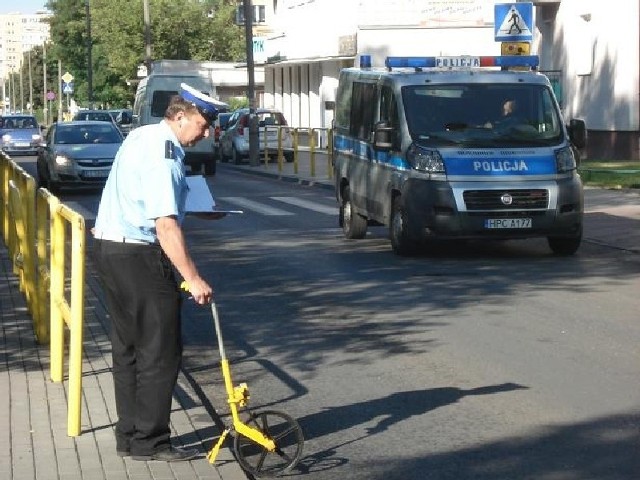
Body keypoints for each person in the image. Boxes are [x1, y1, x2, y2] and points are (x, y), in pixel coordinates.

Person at [92, 83, 226, 462]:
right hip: (140, 257)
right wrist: (193, 278)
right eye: (202, 124)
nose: (206, 133)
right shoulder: (166, 155)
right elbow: (165, 226)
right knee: (160, 350)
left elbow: (137, 193)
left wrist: (195, 208)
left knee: (129, 348)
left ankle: (130, 435)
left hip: (110, 249)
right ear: (180, 115)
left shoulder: (143, 135)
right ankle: (151, 442)